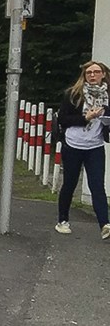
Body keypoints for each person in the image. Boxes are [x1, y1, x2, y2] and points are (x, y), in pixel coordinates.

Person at [53, 60, 110, 237]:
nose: (92, 75)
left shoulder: (107, 95)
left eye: (96, 72)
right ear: (84, 76)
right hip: (73, 145)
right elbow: (63, 119)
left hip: (95, 146)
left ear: (103, 75)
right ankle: (62, 220)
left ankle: (105, 224)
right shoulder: (74, 94)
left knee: (97, 186)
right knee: (69, 183)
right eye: (89, 73)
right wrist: (86, 118)